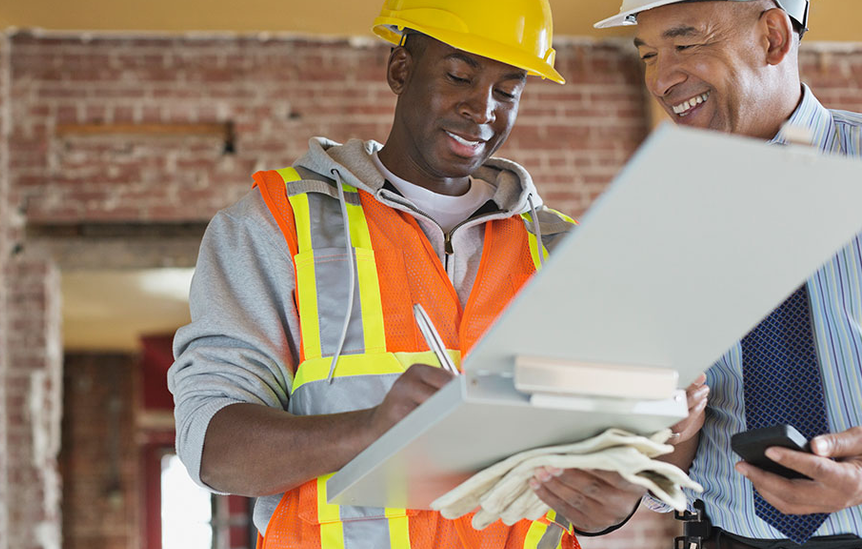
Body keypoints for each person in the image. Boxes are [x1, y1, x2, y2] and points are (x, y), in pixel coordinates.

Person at [166, 1, 653, 547]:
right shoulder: (276, 224)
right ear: (400, 69)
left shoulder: (563, 250)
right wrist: (371, 430)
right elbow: (215, 450)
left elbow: (598, 465)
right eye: (459, 76)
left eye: (508, 90)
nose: (482, 109)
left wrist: (611, 502)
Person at [584, 0, 862, 547]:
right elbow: (669, 455)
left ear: (773, 37)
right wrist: (666, 429)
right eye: (648, 55)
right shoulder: (647, 221)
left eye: (686, 45)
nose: (662, 79)